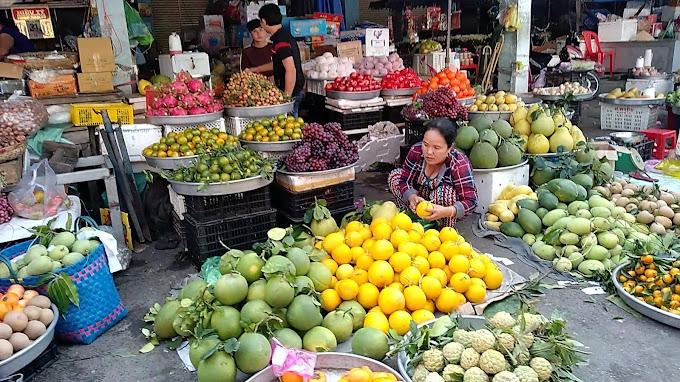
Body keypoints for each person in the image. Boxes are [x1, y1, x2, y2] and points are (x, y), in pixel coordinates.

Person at [388, 118, 478, 226]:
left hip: (443, 207)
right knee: (395, 176)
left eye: (437, 147)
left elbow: (471, 201)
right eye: (425, 144)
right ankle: (406, 219)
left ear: (449, 148)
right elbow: (403, 180)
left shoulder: (458, 163)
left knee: (445, 193)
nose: (429, 152)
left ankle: (442, 228)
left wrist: (448, 211)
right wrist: (411, 197)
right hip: (420, 199)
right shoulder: (416, 151)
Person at [257, 3, 305, 116]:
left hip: (292, 91)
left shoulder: (281, 41)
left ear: (263, 21)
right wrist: (255, 69)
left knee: (291, 127)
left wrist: (286, 99)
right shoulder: (282, 36)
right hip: (294, 89)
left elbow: (290, 70)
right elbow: (278, 63)